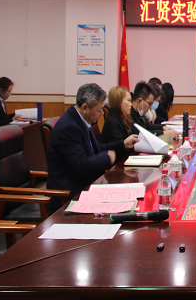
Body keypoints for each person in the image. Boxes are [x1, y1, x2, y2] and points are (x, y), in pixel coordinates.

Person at [46, 83, 139, 215]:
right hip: (69, 197)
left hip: (87, 187)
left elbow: (96, 148)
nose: (102, 114)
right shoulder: (69, 127)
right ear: (85, 107)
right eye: (99, 110)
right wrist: (106, 158)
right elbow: (81, 165)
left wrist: (122, 144)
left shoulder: (81, 120)